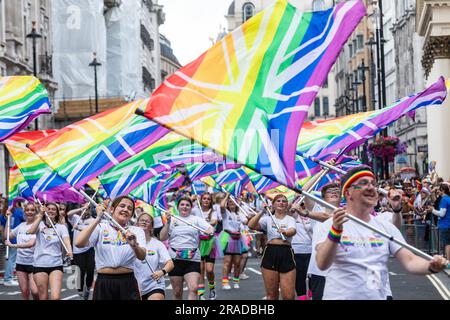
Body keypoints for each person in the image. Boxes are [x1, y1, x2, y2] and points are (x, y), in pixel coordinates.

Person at [315, 166, 449, 300]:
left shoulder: (384, 227)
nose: (371, 187)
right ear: (348, 193)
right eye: (363, 183)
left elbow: (410, 260)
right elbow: (322, 263)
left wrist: (431, 266)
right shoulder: (329, 225)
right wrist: (336, 231)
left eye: (373, 184)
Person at [75, 196, 147, 300]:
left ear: (131, 214)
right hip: (104, 282)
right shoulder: (101, 227)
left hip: (127, 281)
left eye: (129, 208)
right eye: (122, 206)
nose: (125, 209)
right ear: (112, 209)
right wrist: (97, 218)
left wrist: (134, 245)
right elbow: (78, 243)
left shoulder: (136, 231)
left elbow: (142, 256)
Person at [159, 196, 214, 300]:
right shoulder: (172, 219)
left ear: (191, 207)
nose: (185, 207)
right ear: (178, 207)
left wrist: (210, 231)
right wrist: (168, 222)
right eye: (182, 205)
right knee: (177, 292)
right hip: (175, 259)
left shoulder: (196, 219)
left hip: (193, 259)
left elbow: (210, 228)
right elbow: (162, 237)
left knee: (193, 289)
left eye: (187, 205)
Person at [248, 194, 297, 300]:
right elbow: (251, 225)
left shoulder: (290, 219)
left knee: (289, 296)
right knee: (271, 295)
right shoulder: (268, 219)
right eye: (278, 201)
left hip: (286, 252)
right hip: (270, 252)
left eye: (284, 201)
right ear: (273, 204)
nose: (281, 203)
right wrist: (262, 211)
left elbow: (293, 230)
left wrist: (285, 232)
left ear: (287, 204)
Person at [27, 202, 73, 300]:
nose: (51, 211)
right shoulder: (39, 224)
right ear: (45, 210)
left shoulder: (61, 227)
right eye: (49, 208)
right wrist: (40, 215)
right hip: (39, 265)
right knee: (43, 297)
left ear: (56, 213)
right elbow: (30, 231)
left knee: (55, 297)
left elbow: (67, 242)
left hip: (56, 264)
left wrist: (70, 251)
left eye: (53, 209)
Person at [134, 213, 174, 300]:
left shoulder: (157, 244)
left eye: (147, 221)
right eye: (142, 220)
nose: (144, 222)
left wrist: (162, 272)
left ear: (152, 226)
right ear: (137, 224)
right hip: (134, 286)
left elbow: (170, 263)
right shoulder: (130, 242)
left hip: (154, 285)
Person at [4, 203, 38, 300]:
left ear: (35, 212)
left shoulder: (37, 226)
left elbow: (31, 243)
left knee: (35, 291)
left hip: (34, 263)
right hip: (21, 263)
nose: (29, 212)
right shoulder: (21, 225)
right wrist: (8, 219)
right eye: (27, 210)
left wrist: (13, 245)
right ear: (24, 212)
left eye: (32, 210)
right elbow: (7, 236)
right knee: (24, 292)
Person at [191, 192, 219, 300]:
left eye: (208, 199)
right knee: (201, 269)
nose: (206, 200)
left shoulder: (213, 212)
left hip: (210, 242)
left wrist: (203, 221)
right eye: (204, 198)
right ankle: (201, 294)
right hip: (198, 242)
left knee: (209, 269)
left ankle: (212, 288)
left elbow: (214, 221)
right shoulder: (195, 211)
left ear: (211, 201)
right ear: (201, 200)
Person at [67, 203, 95, 300]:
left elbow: (88, 230)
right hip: (77, 250)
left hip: (89, 249)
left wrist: (78, 227)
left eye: (87, 209)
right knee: (80, 273)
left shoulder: (92, 220)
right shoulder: (75, 218)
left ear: (90, 210)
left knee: (90, 271)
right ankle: (80, 293)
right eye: (84, 209)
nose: (85, 211)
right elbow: (68, 214)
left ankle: (87, 288)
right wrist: (81, 208)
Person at [219, 193, 245, 290]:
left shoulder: (239, 214)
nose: (231, 203)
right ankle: (225, 282)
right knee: (227, 262)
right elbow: (221, 205)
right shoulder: (225, 213)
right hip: (227, 238)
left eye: (233, 202)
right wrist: (227, 196)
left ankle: (236, 281)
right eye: (229, 202)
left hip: (238, 239)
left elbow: (247, 221)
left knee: (237, 263)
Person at [0, 200, 25, 286]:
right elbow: (26, 220)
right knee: (11, 259)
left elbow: (1, 228)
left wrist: (3, 239)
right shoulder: (19, 211)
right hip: (14, 238)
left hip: (5, 238)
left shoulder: (3, 213)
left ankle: (7, 277)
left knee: (7, 259)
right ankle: (8, 278)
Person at [430, 183, 450, 260]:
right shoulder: (448, 198)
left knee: (447, 243)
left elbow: (441, 214)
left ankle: (448, 261)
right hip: (447, 223)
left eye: (439, 190)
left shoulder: (444, 199)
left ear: (443, 190)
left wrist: (432, 210)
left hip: (445, 224)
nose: (438, 192)